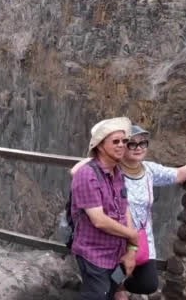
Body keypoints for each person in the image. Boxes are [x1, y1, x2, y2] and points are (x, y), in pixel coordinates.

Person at [113, 125, 186, 299]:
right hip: (115, 238)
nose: (139, 148)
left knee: (148, 283)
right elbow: (84, 168)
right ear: (122, 146)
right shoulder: (111, 171)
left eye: (143, 143)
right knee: (111, 277)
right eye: (132, 144)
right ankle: (114, 288)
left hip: (141, 239)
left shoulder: (149, 170)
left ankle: (117, 287)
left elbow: (179, 174)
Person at [70, 117, 140, 300]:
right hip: (94, 254)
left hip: (116, 254)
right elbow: (99, 220)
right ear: (100, 146)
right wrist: (132, 235)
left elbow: (125, 210)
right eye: (115, 141)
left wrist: (131, 249)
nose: (121, 145)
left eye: (124, 141)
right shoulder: (87, 175)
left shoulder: (117, 173)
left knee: (109, 294)